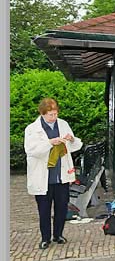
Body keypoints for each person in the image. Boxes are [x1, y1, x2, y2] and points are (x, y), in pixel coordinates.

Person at [24, 98, 82, 250]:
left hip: (61, 175)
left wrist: (71, 139)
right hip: (42, 176)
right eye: (50, 114)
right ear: (42, 114)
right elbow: (31, 150)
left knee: (62, 207)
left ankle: (58, 234)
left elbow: (76, 146)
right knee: (44, 209)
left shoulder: (63, 124)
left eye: (55, 114)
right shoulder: (32, 129)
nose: (53, 117)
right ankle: (45, 238)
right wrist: (50, 143)